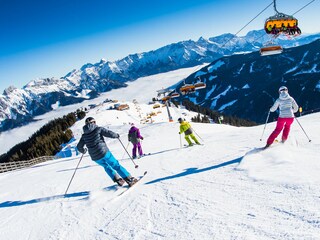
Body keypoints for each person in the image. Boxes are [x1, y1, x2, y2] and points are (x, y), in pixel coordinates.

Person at [77, 117, 138, 187]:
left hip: (95, 157)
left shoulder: (84, 136)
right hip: (104, 152)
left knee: (106, 167)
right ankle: (130, 180)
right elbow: (109, 133)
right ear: (93, 122)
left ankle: (119, 180)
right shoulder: (98, 129)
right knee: (115, 165)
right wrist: (116, 135)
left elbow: (79, 147)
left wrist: (84, 151)